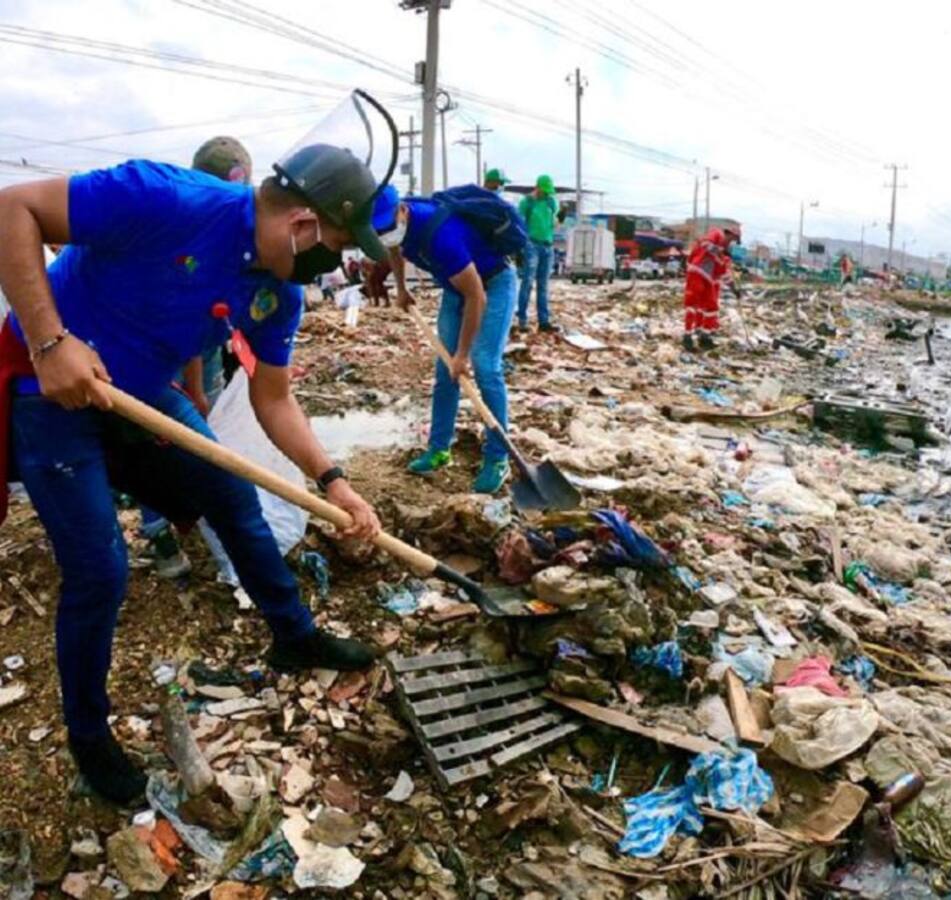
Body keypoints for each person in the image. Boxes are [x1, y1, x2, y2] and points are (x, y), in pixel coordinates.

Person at [0, 142, 392, 804]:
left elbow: (274, 399)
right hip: (52, 389)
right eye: (336, 244)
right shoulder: (165, 197)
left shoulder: (277, 293)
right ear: (301, 225)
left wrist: (335, 482)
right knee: (100, 569)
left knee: (233, 497)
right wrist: (50, 342)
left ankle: (293, 634)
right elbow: (13, 208)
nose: (337, 262)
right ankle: (89, 736)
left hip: (141, 390)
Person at [139, 135, 257, 580]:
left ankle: (189, 521)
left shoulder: (226, 219)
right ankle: (164, 529)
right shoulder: (178, 224)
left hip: (199, 346)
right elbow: (184, 318)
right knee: (164, 438)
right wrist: (195, 389)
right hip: (164, 352)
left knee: (193, 435)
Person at [366, 186, 519, 494]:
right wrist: (401, 289)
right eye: (379, 230)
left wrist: (462, 354)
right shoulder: (396, 229)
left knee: (484, 365)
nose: (386, 234)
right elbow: (394, 250)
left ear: (403, 211)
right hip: (455, 288)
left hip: (494, 284)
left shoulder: (442, 237)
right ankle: (439, 448)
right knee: (444, 370)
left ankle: (498, 457)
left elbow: (477, 297)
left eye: (388, 227)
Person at [682, 225, 739, 351]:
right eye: (732, 239)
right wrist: (719, 250)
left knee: (712, 307)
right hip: (697, 271)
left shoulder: (723, 256)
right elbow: (705, 244)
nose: (731, 242)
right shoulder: (717, 234)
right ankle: (687, 336)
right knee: (692, 304)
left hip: (709, 279)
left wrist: (734, 289)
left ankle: (705, 336)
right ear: (729, 233)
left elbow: (724, 274)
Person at [517, 174, 559, 333]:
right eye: (544, 190)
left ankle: (544, 321)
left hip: (548, 245)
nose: (547, 193)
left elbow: (555, 221)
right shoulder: (527, 202)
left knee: (543, 285)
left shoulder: (551, 202)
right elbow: (519, 223)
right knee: (527, 282)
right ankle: (522, 320)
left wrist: (557, 220)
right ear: (538, 187)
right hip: (531, 244)